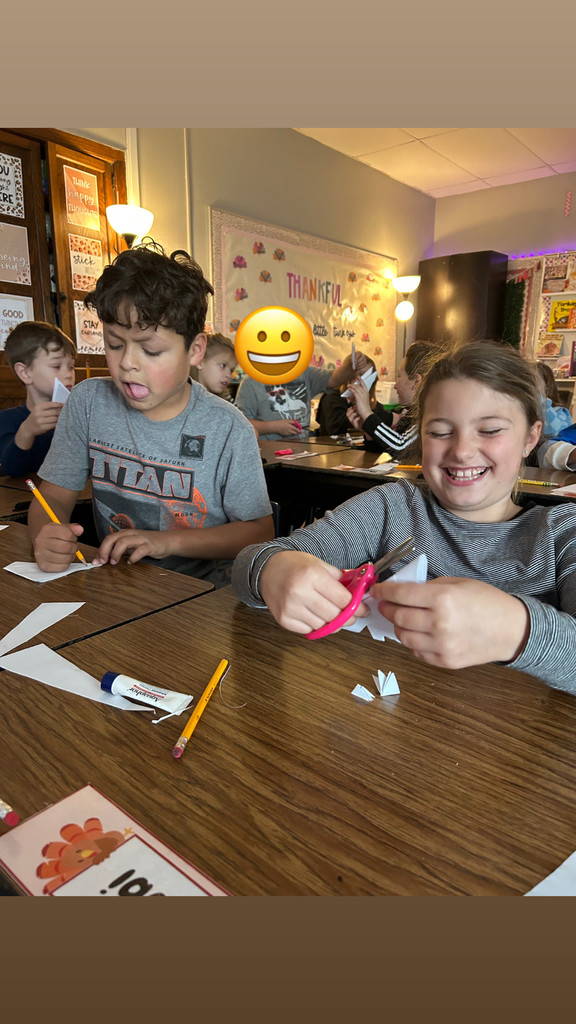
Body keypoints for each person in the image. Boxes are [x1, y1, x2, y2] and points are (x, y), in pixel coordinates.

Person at [232, 341, 576, 693]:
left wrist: (514, 630)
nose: (461, 451)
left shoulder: (563, 535)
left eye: (490, 430)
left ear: (530, 438)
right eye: (440, 432)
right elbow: (250, 562)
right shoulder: (392, 508)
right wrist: (275, 571)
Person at [28, 243, 274, 588]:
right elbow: (52, 497)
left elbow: (258, 532)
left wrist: (163, 541)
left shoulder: (228, 428)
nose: (128, 363)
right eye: (114, 344)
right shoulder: (88, 402)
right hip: (118, 584)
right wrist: (46, 534)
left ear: (195, 350)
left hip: (203, 598)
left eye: (151, 350)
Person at [235, 352, 370, 441]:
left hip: (302, 454)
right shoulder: (250, 383)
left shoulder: (303, 373)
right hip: (268, 458)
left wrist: (352, 365)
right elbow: (239, 424)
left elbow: (334, 379)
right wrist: (274, 426)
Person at [0, 321, 76, 477]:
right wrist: (26, 432)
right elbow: (11, 470)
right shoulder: (6, 420)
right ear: (25, 373)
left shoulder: (79, 415)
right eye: (56, 366)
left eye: (71, 366)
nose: (68, 374)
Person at [345, 340, 434, 458]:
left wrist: (367, 414)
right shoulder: (409, 413)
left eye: (399, 376)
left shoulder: (428, 414)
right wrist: (368, 430)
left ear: (417, 381)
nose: (395, 385)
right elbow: (386, 448)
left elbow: (399, 446)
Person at [314, 357, 386, 436]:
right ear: (349, 376)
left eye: (370, 377)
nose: (365, 382)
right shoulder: (332, 397)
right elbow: (335, 428)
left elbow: (383, 416)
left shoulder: (369, 402)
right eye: (362, 375)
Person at [193, 332, 237, 399]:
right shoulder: (181, 402)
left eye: (231, 370)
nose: (228, 375)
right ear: (200, 362)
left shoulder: (227, 401)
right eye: (223, 365)